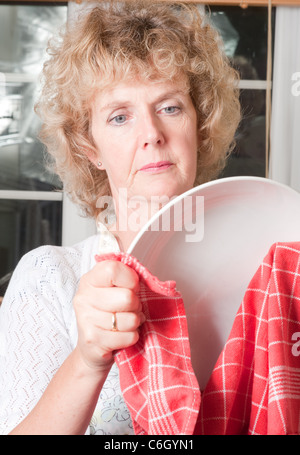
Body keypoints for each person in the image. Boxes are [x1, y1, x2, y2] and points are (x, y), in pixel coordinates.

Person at [0, 0, 240, 435]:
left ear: (199, 125)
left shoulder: (259, 269)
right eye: (119, 116)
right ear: (89, 148)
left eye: (170, 107)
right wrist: (88, 359)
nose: (151, 133)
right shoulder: (48, 278)